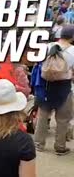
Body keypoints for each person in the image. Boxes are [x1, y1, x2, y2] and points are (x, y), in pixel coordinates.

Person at [34, 25, 74, 155]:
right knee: (62, 119)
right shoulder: (73, 51)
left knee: (43, 116)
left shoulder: (47, 47)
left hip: (45, 86)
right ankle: (60, 146)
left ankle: (38, 144)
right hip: (64, 87)